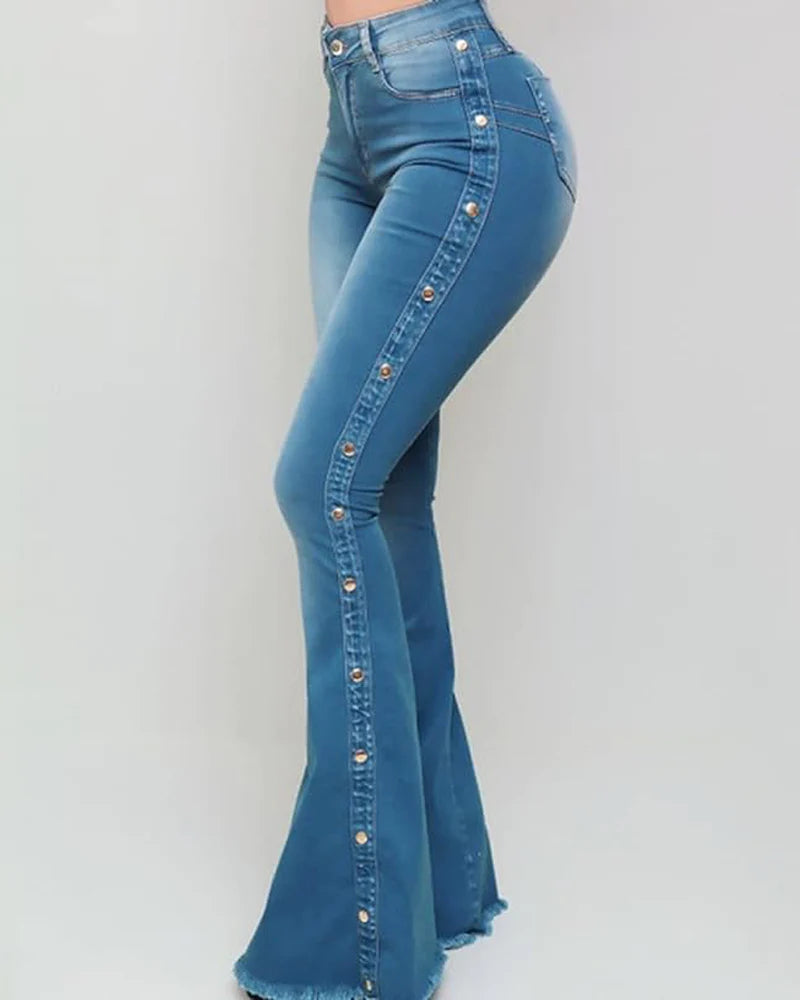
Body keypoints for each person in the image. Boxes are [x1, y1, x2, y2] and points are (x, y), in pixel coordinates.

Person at [233, 0, 577, 997]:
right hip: (349, 130)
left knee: (321, 485)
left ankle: (355, 951)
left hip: (464, 114)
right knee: (378, 500)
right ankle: (443, 894)